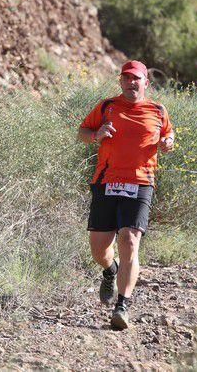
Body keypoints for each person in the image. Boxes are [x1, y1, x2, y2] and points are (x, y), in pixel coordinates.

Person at [78, 60, 175, 330]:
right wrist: (96, 134)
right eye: (127, 78)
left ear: (146, 83)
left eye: (137, 79)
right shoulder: (106, 106)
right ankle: (110, 270)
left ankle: (122, 305)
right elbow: (82, 133)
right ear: (121, 82)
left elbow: (168, 134)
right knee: (99, 249)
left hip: (141, 183)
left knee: (130, 241)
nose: (132, 83)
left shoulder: (158, 110)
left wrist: (168, 142)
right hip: (106, 181)